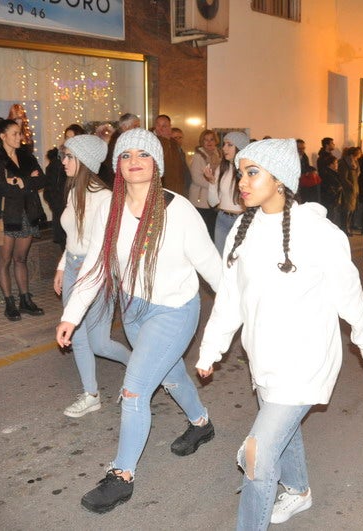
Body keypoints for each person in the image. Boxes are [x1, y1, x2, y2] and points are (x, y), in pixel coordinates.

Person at [195, 138, 363, 530]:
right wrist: (210, 349)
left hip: (306, 361)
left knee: (258, 457)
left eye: (252, 172)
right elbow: (229, 299)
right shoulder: (241, 232)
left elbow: (347, 290)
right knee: (281, 426)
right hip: (264, 359)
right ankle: (297, 491)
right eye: (241, 172)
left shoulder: (317, 230)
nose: (241, 181)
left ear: (280, 180)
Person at [55, 128, 221, 513]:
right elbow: (96, 266)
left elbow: (213, 270)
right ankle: (201, 422)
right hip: (132, 308)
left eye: (142, 155)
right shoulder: (110, 208)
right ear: (117, 165)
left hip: (174, 311)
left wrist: (230, 326)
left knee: (134, 391)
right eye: (125, 155)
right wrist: (71, 315)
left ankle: (122, 476)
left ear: (156, 164)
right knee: (170, 375)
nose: (133, 161)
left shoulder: (178, 210)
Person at [54, 134, 131, 418]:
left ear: (84, 161)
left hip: (96, 272)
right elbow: (73, 237)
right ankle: (91, 394)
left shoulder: (106, 199)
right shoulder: (75, 191)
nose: (63, 162)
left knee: (100, 343)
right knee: (78, 336)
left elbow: (111, 246)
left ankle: (138, 368)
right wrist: (63, 266)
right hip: (74, 267)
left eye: (69, 156)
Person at [0, 118, 47, 321]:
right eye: (14, 133)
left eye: (20, 133)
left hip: (28, 213)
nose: (19, 137)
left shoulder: (26, 155)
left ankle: (25, 299)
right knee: (5, 259)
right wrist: (27, 182)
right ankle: (9, 302)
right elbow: (1, 187)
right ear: (2, 136)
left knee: (21, 259)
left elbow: (42, 179)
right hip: (7, 216)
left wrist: (20, 181)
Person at [206, 131, 249, 254]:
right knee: (220, 257)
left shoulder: (247, 170)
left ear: (239, 147)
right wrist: (211, 182)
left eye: (229, 145)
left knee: (238, 258)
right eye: (224, 144)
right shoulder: (222, 168)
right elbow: (213, 202)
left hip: (241, 220)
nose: (224, 148)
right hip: (222, 219)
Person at [44, 124, 84, 247]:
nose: (69, 141)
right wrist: (60, 208)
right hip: (63, 215)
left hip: (81, 219)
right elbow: (49, 190)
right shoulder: (57, 162)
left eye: (73, 138)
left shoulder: (86, 162)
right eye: (67, 137)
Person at [188, 129, 221, 239]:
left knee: (212, 230)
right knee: (202, 231)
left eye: (211, 139)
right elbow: (196, 178)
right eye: (206, 140)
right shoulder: (198, 156)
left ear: (216, 141)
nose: (209, 142)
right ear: (202, 142)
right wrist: (214, 185)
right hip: (200, 199)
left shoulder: (219, 155)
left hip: (214, 199)